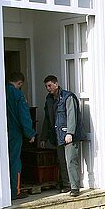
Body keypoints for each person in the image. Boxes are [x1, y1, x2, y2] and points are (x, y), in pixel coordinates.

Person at [39, 74, 82, 196]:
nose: (48, 88)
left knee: (71, 161)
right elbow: (47, 119)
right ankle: (67, 184)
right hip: (57, 135)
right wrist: (43, 137)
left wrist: (70, 133)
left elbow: (72, 115)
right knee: (62, 161)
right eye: (46, 86)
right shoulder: (49, 100)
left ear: (56, 84)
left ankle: (75, 187)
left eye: (50, 85)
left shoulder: (68, 97)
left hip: (68, 135)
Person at [5, 72, 35, 200]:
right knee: (15, 160)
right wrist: (30, 133)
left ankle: (4, 190)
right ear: (20, 83)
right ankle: (15, 191)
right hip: (14, 132)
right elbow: (24, 116)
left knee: (2, 161)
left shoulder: (0, 90)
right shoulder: (18, 94)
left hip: (1, 132)